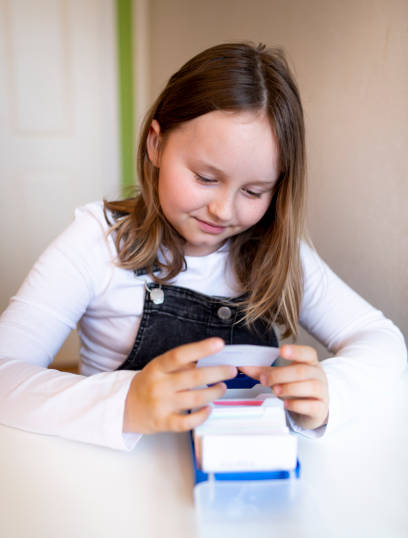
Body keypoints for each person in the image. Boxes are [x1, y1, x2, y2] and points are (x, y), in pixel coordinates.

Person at [0, 42, 406, 451]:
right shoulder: (97, 242)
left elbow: (382, 341)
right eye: (206, 178)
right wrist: (126, 402)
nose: (222, 209)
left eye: (253, 190)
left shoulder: (277, 251)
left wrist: (332, 389)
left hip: (247, 478)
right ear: (155, 145)